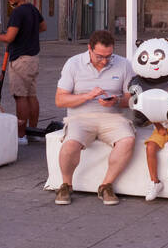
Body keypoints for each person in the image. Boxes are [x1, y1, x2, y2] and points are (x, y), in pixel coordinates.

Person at [53, 30, 135, 206]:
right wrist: (87, 96)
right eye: (99, 57)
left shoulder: (124, 64)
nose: (105, 61)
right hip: (80, 117)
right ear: (89, 49)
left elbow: (132, 99)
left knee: (127, 140)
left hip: (112, 118)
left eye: (109, 56)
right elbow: (60, 100)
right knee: (70, 145)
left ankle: (106, 185)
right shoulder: (73, 64)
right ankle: (66, 184)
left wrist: (117, 101)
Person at [0, 0, 44, 145]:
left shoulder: (18, 13)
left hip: (20, 59)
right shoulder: (32, 9)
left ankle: (21, 136)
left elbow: (9, 38)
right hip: (33, 57)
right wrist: (28, 34)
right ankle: (33, 131)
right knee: (31, 95)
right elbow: (42, 27)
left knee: (20, 96)